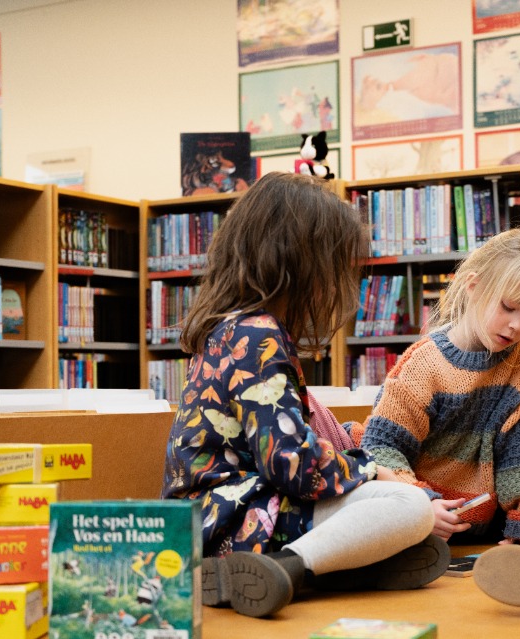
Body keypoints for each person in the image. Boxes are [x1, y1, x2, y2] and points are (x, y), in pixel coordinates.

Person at [160, 172, 448, 619]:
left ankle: (327, 567)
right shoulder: (257, 335)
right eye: (332, 264)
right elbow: (290, 464)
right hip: (234, 522)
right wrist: (371, 471)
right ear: (297, 261)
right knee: (408, 507)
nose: (334, 283)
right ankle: (286, 569)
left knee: (398, 517)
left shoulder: (234, 328)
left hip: (226, 515)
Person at [350, 227, 520, 606]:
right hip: (411, 498)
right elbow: (382, 448)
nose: (516, 326)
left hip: (470, 515)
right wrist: (419, 506)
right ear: (473, 286)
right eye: (508, 307)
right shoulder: (425, 363)